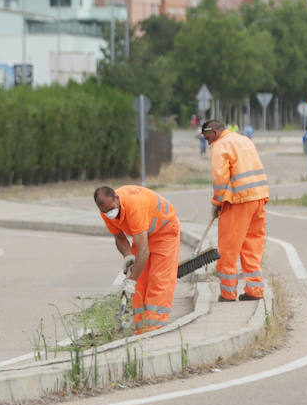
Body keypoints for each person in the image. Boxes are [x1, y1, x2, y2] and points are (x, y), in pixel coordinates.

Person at [93, 184, 181, 334]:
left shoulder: (134, 206)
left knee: (158, 278)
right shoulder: (106, 210)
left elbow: (143, 251)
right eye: (105, 211)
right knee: (140, 282)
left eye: (111, 209)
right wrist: (127, 255)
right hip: (144, 234)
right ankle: (140, 327)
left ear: (116, 198)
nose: (109, 213)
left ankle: (154, 325)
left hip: (165, 230)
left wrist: (130, 281)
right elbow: (119, 236)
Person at [201, 118, 269, 302]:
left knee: (228, 247)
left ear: (214, 132)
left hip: (238, 201)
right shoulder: (244, 140)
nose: (208, 143)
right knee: (252, 245)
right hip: (258, 198)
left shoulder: (220, 145)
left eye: (207, 138)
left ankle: (228, 293)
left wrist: (217, 202)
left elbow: (220, 178)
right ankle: (255, 290)